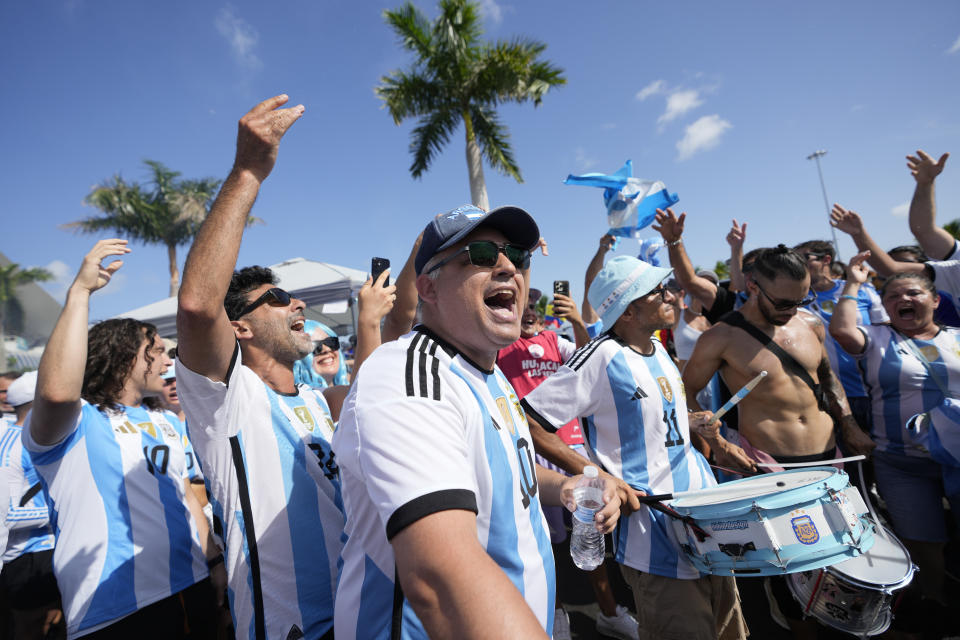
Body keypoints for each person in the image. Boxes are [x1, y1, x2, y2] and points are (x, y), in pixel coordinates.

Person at [332, 204, 622, 640]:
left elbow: (504, 470)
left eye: (518, 257)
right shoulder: (408, 377)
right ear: (427, 288)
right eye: (482, 254)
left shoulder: (490, 374)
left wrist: (562, 486)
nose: (508, 267)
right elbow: (440, 579)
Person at [175, 95, 372, 639]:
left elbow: (374, 390)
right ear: (239, 327)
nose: (297, 304)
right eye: (278, 298)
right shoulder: (228, 399)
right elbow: (196, 306)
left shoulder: (312, 399)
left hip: (359, 615)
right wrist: (247, 171)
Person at [520, 255, 746, 640]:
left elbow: (659, 419)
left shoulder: (658, 348)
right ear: (627, 312)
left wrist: (707, 433)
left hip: (704, 519)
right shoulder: (601, 355)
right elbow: (531, 422)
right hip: (654, 535)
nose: (672, 296)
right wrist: (597, 475)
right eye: (658, 291)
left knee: (730, 631)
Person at [24, 239, 221, 639]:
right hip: (116, 609)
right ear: (123, 355)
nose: (169, 361)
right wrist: (79, 293)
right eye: (158, 351)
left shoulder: (165, 421)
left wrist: (214, 565)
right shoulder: (76, 421)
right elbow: (58, 392)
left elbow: (185, 496)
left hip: (192, 588)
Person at [681, 245, 874, 638]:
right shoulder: (720, 337)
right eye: (783, 301)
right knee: (790, 565)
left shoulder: (810, 323)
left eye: (799, 299)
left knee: (844, 552)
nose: (792, 309)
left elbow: (826, 377)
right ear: (752, 286)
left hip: (828, 459)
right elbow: (685, 396)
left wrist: (849, 423)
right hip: (771, 465)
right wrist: (715, 441)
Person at [497, 289, 638, 640]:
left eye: (533, 305)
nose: (528, 311)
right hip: (530, 451)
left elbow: (592, 358)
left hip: (570, 450)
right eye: (521, 305)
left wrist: (576, 319)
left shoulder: (556, 342)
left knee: (590, 538)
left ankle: (608, 612)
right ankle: (556, 614)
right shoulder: (500, 347)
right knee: (542, 543)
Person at [829, 257, 960, 630]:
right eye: (893, 296)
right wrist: (852, 283)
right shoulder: (876, 338)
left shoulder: (956, 337)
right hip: (901, 463)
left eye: (914, 292)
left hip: (959, 458)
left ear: (935, 300)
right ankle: (935, 609)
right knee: (924, 544)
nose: (904, 299)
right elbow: (840, 329)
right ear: (885, 307)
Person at [792, 239, 887, 435]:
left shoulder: (863, 290)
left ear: (826, 259)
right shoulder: (792, 302)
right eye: (795, 260)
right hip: (831, 395)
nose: (798, 265)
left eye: (804, 258)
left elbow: (886, 331)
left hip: (878, 389)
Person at [0, 371, 64, 640]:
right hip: (24, 560)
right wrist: (60, 512)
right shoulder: (10, 445)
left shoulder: (56, 438)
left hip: (59, 550)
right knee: (30, 628)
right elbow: (7, 516)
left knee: (61, 624)